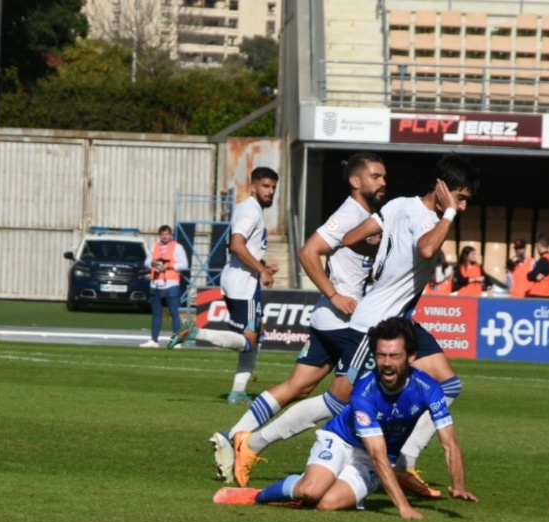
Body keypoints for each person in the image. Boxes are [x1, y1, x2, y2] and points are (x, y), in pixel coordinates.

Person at [223, 153, 478, 497]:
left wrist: (383, 256)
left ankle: (403, 462)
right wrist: (444, 215)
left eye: (464, 202)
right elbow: (427, 247)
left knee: (448, 386)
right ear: (442, 188)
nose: (461, 207)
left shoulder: (399, 205)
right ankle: (253, 442)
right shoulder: (427, 218)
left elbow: (353, 237)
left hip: (399, 322)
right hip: (374, 324)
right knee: (336, 402)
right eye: (459, 198)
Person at [209, 152, 387, 482]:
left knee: (298, 387)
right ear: (355, 181)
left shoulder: (366, 215)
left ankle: (232, 435)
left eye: (383, 177)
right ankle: (370, 468)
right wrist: (335, 294)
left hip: (329, 320)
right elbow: (308, 252)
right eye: (376, 176)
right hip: (345, 323)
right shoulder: (349, 214)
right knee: (348, 397)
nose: (383, 182)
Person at [213, 317, 479, 516]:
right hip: (341, 439)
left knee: (327, 504)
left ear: (410, 357)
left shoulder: (429, 389)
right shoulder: (364, 392)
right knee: (311, 490)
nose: (386, 363)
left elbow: (449, 443)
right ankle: (258, 495)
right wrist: (403, 507)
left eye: (394, 356)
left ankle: (297, 493)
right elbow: (377, 453)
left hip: (372, 460)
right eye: (381, 355)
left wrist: (458, 484)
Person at [167, 167, 279, 405]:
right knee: (248, 341)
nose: (270, 192)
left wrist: (262, 264)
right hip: (243, 284)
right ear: (254, 186)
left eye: (273, 188)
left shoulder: (251, 209)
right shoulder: (251, 210)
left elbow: (241, 248)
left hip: (241, 279)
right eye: (266, 186)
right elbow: (237, 244)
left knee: (255, 336)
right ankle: (196, 333)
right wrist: (260, 270)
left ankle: (238, 392)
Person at [140, 225, 188, 348]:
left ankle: (177, 341)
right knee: (156, 314)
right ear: (159, 235)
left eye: (166, 234)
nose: (164, 236)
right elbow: (146, 262)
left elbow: (184, 264)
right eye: (162, 234)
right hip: (155, 284)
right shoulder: (155, 246)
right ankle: (154, 340)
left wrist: (169, 266)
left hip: (171, 284)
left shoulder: (177, 247)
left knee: (173, 313)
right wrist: (152, 263)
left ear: (171, 235)